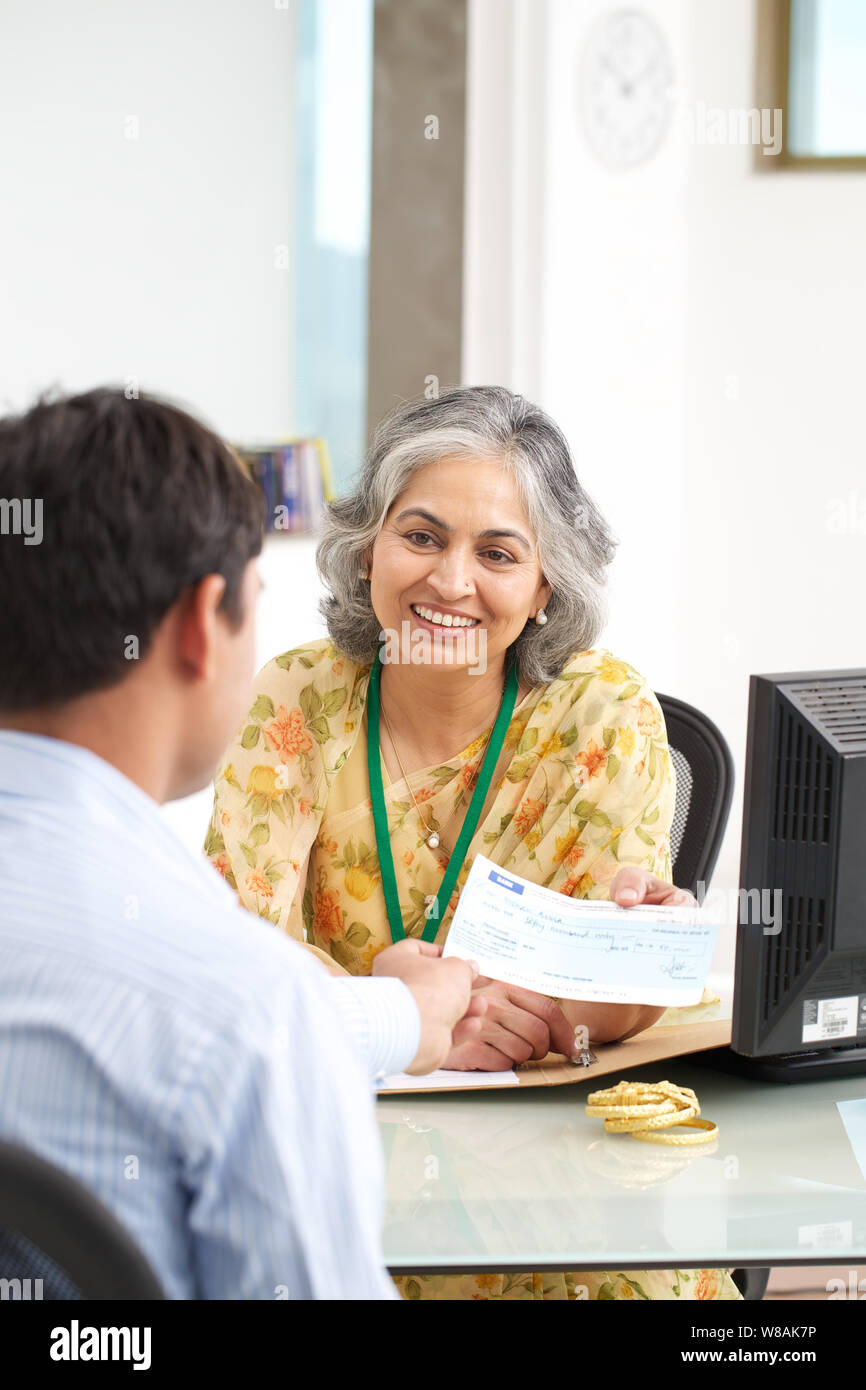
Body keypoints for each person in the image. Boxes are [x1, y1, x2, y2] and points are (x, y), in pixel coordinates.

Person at [207, 384, 742, 1301]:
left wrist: (423, 1008)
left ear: (545, 588)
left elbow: (591, 1010)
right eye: (420, 536)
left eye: (497, 553)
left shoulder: (600, 715)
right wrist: (413, 1010)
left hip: (560, 1188)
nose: (450, 582)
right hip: (345, 1175)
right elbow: (232, 953)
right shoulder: (296, 696)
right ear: (367, 546)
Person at [0, 386, 484, 1300]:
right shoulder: (242, 1008)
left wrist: (392, 1014)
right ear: (199, 624)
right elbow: (223, 1026)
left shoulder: (237, 1009)